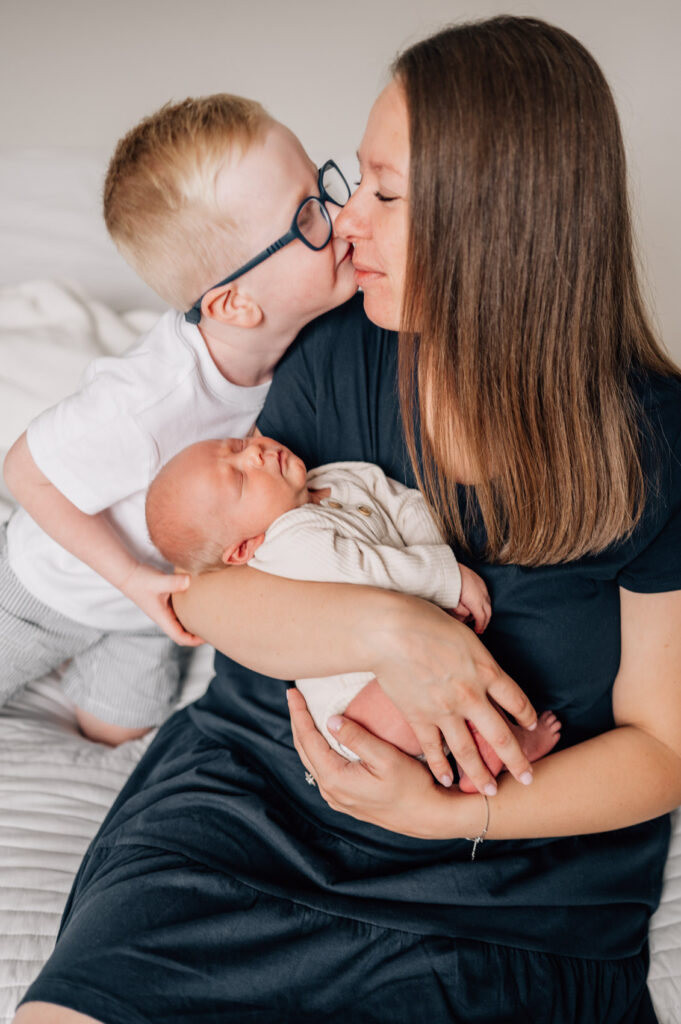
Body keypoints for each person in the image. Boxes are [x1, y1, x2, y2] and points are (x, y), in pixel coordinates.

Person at [16, 15, 681, 1024]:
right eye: (352, 180)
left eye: (384, 192)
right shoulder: (339, 348)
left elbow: (663, 750)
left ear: (498, 220)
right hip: (252, 811)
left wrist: (451, 811)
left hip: (503, 888)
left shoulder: (653, 441)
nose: (346, 223)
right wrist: (392, 630)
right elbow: (213, 589)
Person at [0, 94, 355, 744]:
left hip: (146, 607)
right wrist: (129, 578)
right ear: (236, 304)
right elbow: (25, 471)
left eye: (323, 187)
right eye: (307, 215)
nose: (342, 215)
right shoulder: (150, 396)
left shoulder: (306, 348)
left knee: (118, 731)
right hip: (45, 588)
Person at [145, 435, 559, 779]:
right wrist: (445, 577)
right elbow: (368, 572)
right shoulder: (287, 542)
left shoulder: (335, 478)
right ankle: (499, 746)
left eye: (237, 445)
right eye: (240, 478)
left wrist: (432, 549)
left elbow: (405, 503)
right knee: (423, 688)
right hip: (355, 702)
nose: (254, 453)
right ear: (243, 549)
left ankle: (483, 753)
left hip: (409, 648)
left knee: (451, 671)